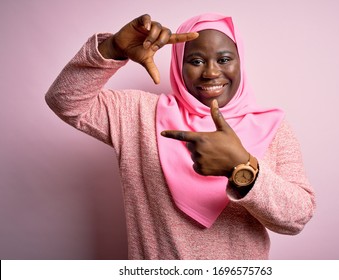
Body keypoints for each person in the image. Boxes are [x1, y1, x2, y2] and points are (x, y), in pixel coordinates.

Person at [45, 13, 315, 260]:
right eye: (196, 61)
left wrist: (242, 166)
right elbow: (65, 100)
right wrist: (113, 48)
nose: (210, 72)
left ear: (239, 62)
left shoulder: (272, 126)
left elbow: (297, 217)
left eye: (224, 59)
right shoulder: (139, 114)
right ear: (178, 65)